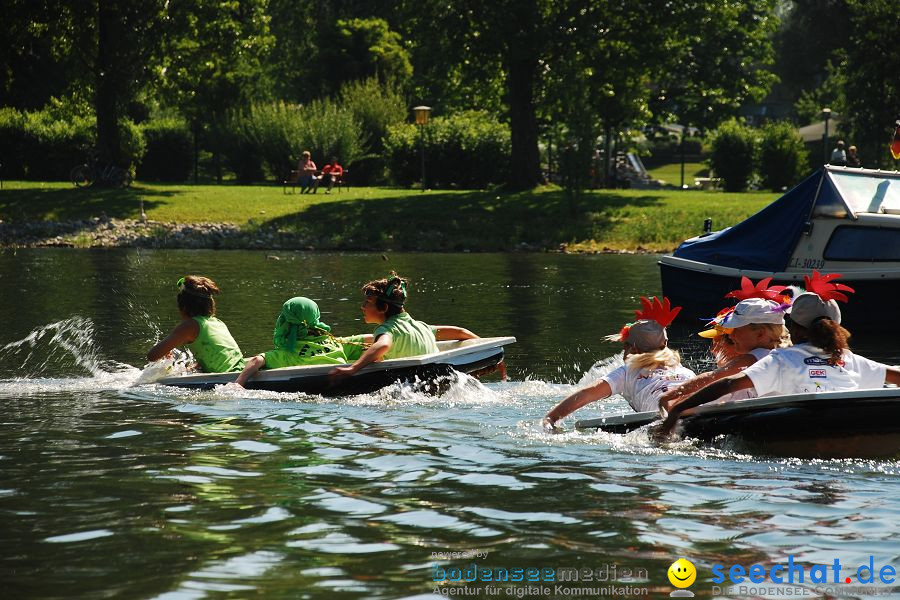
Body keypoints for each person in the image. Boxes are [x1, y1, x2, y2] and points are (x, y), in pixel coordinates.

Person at [657, 272, 900, 435]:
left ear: (793, 328)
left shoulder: (782, 359)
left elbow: (728, 383)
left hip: (799, 426)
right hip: (861, 422)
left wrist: (677, 409)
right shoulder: (849, 358)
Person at [542, 297, 695, 429]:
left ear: (632, 349)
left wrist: (551, 418)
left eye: (625, 347)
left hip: (667, 416)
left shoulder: (627, 371)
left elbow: (585, 394)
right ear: (665, 345)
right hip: (700, 407)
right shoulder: (685, 371)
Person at [328, 273, 480, 380]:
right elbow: (461, 332)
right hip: (436, 380)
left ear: (384, 308)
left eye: (367, 303)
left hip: (407, 388)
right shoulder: (422, 327)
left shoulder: (386, 329)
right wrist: (491, 354)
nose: (362, 307)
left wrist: (352, 369)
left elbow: (383, 345)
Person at [658, 298, 787, 411]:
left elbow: (712, 377)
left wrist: (671, 395)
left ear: (760, 334)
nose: (731, 335)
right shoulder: (787, 352)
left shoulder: (755, 357)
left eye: (736, 330)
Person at [234, 297, 366, 387]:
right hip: (347, 385)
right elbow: (369, 338)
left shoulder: (288, 353)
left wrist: (238, 384)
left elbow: (257, 360)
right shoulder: (335, 343)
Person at [147, 276, 245, 373]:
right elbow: (217, 356)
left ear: (183, 306)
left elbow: (152, 355)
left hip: (228, 380)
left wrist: (167, 356)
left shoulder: (189, 325)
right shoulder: (218, 323)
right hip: (241, 370)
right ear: (210, 305)